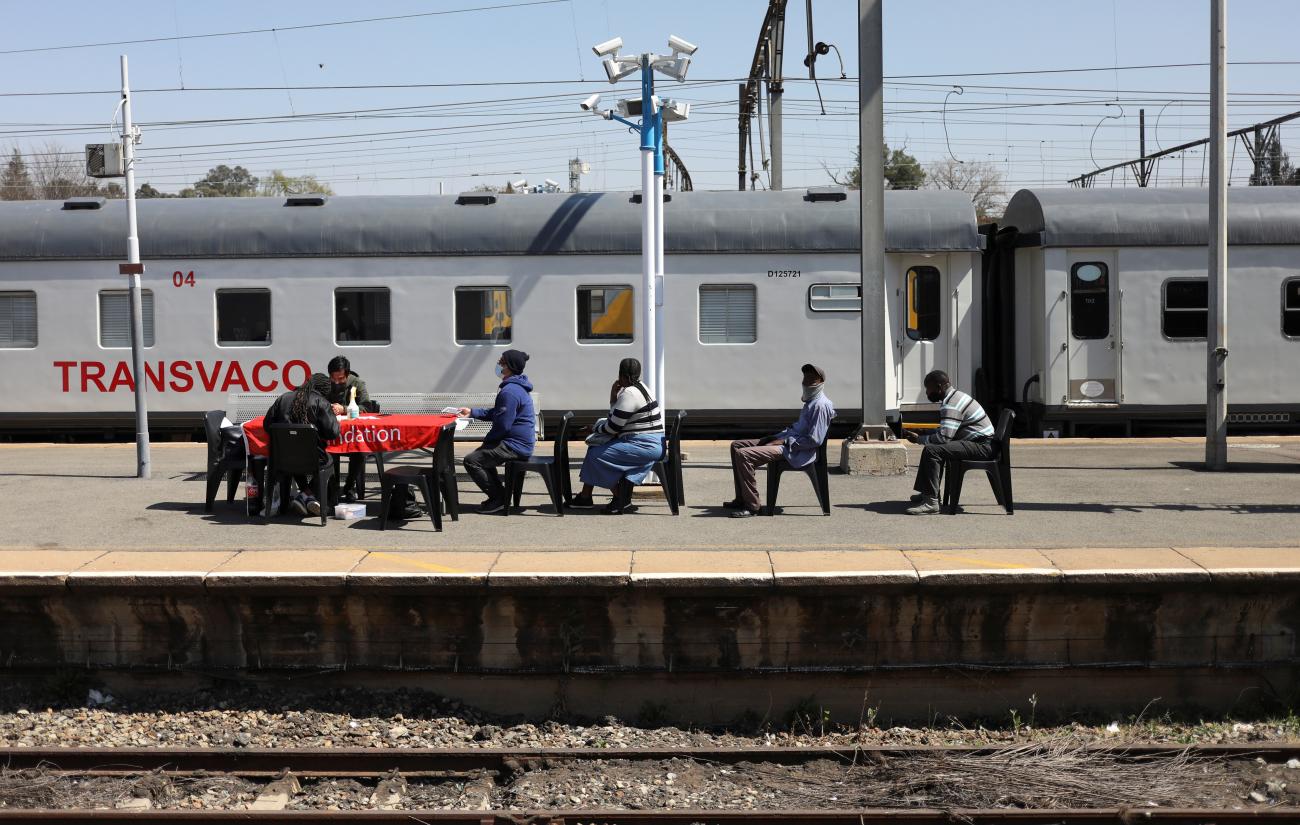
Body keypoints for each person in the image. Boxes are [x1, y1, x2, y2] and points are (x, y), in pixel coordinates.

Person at [723, 364, 835, 518]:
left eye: (811, 379)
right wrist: (775, 437)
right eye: (805, 378)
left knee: (744, 455)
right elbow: (798, 429)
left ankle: (752, 505)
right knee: (736, 446)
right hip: (788, 443)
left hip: (797, 451)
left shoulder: (821, 406)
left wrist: (783, 442)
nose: (806, 382)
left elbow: (815, 440)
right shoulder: (811, 402)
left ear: (820, 381)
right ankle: (742, 497)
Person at [569, 358, 665, 515]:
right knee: (596, 447)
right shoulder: (642, 388)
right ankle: (586, 496)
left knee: (596, 455)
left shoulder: (629, 394)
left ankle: (621, 498)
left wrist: (594, 428)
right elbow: (617, 421)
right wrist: (614, 399)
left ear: (622, 376)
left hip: (645, 446)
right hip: (650, 443)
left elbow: (612, 427)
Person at [901, 370, 996, 516]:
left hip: (983, 446)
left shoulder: (951, 405)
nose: (927, 393)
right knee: (932, 448)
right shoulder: (955, 396)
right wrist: (924, 432)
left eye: (928, 388)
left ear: (939, 387)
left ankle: (931, 502)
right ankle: (928, 491)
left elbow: (944, 438)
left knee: (932, 450)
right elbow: (948, 430)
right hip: (981, 443)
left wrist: (919, 439)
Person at [457, 349, 536, 513]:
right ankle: (500, 495)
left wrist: (488, 441)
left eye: (501, 362)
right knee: (483, 455)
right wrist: (472, 412)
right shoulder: (515, 387)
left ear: (509, 367)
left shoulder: (510, 391)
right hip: (518, 443)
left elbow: (503, 425)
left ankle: (498, 498)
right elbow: (499, 412)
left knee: (472, 460)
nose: (498, 365)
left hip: (515, 446)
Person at [262, 373, 340, 517]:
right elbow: (333, 432)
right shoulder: (321, 402)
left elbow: (267, 425)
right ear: (323, 390)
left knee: (295, 454)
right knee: (330, 460)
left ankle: (306, 496)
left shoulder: (283, 398)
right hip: (312, 460)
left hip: (281, 458)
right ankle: (306, 495)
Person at [324, 355, 370, 503]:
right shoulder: (325, 384)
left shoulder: (357, 384)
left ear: (348, 374)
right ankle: (334, 488)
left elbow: (367, 407)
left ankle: (350, 487)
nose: (337, 382)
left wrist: (343, 409)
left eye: (341, 378)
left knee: (361, 453)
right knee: (331, 452)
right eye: (333, 378)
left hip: (353, 434)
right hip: (332, 432)